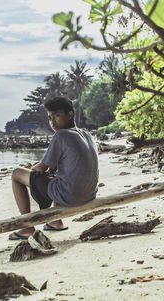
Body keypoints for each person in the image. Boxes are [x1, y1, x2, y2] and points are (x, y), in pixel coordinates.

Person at [9, 96, 99, 240]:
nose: (52, 122)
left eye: (57, 116)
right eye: (50, 118)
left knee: (16, 174)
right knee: (56, 175)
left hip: (72, 196)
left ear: (70, 115)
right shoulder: (86, 134)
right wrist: (38, 168)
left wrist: (31, 169)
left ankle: (26, 227)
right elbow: (58, 164)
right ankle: (55, 221)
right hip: (90, 194)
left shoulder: (61, 135)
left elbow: (41, 168)